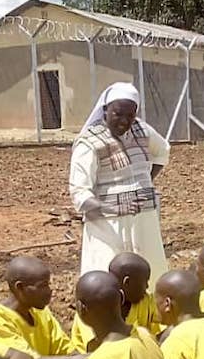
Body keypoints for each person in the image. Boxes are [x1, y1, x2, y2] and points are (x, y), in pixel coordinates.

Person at [69, 82, 171, 290]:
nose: (124, 121)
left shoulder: (142, 129)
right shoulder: (89, 142)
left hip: (144, 218)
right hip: (108, 225)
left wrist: (146, 181)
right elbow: (79, 190)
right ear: (106, 110)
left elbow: (163, 151)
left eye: (130, 115)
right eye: (118, 114)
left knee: (150, 271)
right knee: (106, 277)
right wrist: (109, 208)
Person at [71, 253, 162, 351]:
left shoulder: (143, 300)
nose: (147, 287)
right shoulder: (91, 309)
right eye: (144, 282)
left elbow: (169, 315)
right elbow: (97, 349)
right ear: (127, 282)